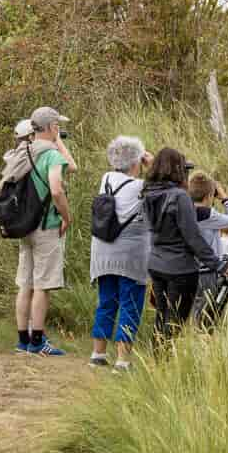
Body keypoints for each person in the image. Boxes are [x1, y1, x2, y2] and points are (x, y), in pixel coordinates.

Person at [0, 106, 76, 356]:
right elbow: (56, 189)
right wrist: (66, 216)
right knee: (42, 286)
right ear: (53, 127)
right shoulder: (52, 156)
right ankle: (38, 341)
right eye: (58, 126)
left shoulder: (23, 151)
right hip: (46, 226)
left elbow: (0, 189)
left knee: (26, 283)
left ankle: (23, 340)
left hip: (25, 226)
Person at [141, 148, 228, 343]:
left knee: (161, 316)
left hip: (156, 264)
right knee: (175, 323)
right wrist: (219, 265)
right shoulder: (180, 196)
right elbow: (192, 237)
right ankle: (166, 364)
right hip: (180, 268)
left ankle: (157, 362)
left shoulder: (148, 192)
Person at [89, 136, 154, 371]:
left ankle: (98, 354)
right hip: (131, 256)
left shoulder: (105, 179)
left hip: (102, 252)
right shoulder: (140, 187)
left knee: (106, 302)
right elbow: (165, 187)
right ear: (137, 161)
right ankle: (123, 360)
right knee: (130, 305)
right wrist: (153, 165)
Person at [187, 172, 228, 324]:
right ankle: (201, 340)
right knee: (205, 314)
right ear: (209, 196)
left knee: (190, 312)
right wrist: (225, 199)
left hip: (188, 270)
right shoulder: (208, 214)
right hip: (207, 272)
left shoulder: (185, 211)